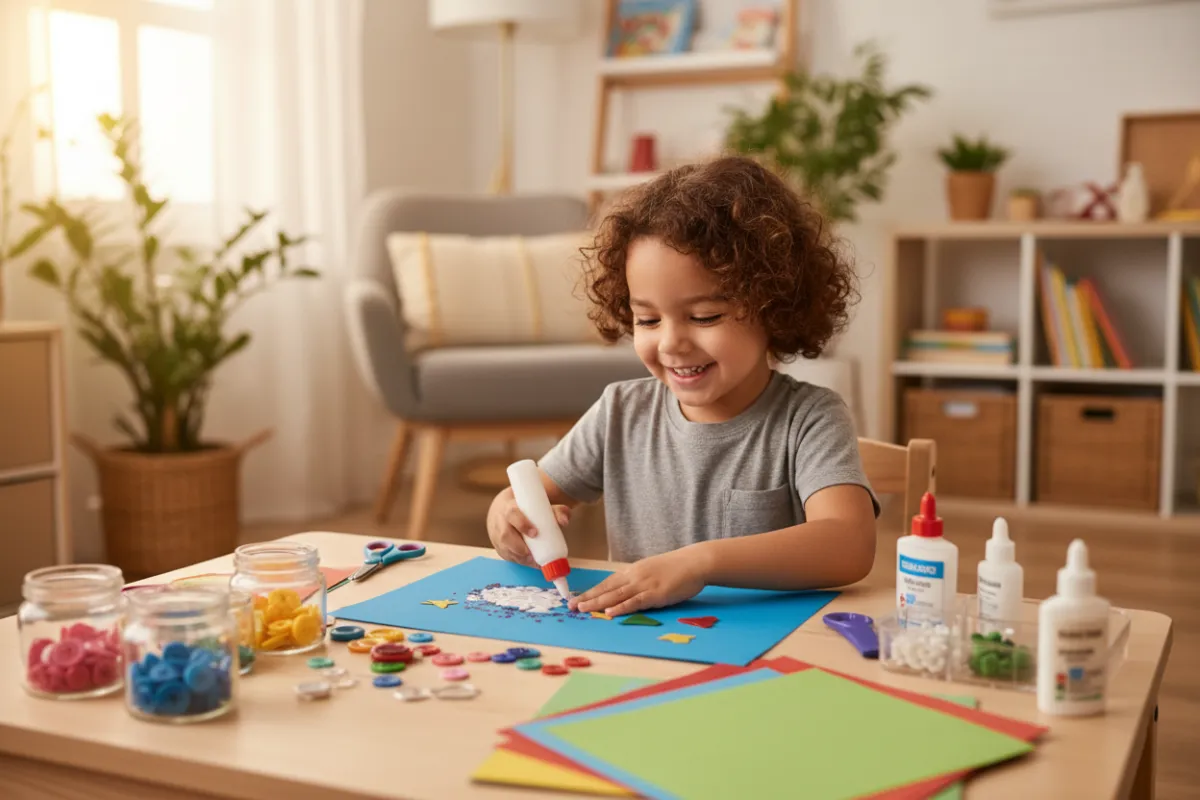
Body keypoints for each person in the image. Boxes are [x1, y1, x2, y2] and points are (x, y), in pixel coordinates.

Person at [486, 155, 880, 617]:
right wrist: (505, 518)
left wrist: (701, 563)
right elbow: (528, 497)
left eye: (704, 317)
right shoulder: (620, 411)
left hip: (766, 652)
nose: (671, 342)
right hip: (638, 641)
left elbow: (849, 543)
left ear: (775, 307)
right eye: (648, 319)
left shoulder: (809, 418)